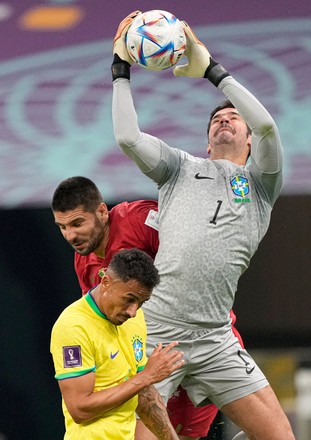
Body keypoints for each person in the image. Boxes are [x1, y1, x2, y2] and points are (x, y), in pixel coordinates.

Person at [111, 10, 295, 440]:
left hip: (215, 336)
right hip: (158, 331)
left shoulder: (262, 184)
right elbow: (127, 138)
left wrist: (213, 72)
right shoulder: (179, 168)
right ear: (207, 138)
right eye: (217, 118)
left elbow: (267, 125)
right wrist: (120, 70)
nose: (225, 119)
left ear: (250, 141)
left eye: (235, 118)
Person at [52, 175, 244, 439]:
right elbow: (100, 326)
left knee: (195, 432)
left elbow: (195, 249)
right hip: (149, 355)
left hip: (204, 338)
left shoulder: (138, 220)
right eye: (62, 227)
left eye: (76, 223)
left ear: (101, 212)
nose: (70, 235)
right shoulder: (83, 269)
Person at [50, 248, 184, 440]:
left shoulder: (135, 320)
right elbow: (79, 409)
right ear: (106, 282)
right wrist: (146, 377)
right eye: (129, 300)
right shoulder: (73, 326)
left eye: (141, 303)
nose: (133, 311)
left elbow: (144, 395)